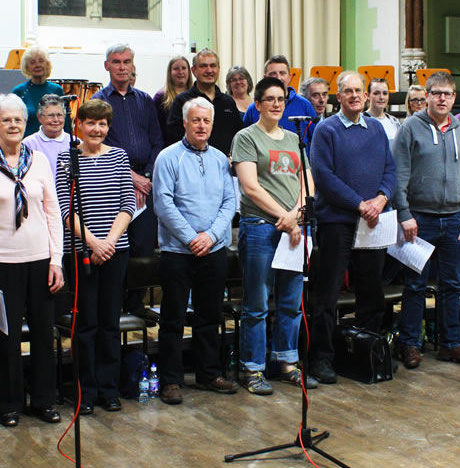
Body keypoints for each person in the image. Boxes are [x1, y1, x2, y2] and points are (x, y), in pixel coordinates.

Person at [0, 94, 65, 427]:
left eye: (19, 120)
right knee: (7, 339)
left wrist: (57, 260)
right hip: (1, 263)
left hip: (40, 260)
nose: (13, 125)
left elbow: (53, 212)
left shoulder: (39, 161)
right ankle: (8, 404)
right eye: (6, 120)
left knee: (42, 335)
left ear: (27, 124)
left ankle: (43, 400)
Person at [308, 71, 396, 384]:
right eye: (348, 91)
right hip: (338, 221)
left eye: (359, 90)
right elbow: (324, 176)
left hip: (374, 219)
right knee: (328, 294)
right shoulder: (326, 129)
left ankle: (367, 350)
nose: (355, 96)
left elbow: (390, 168)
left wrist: (382, 198)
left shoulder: (376, 129)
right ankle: (323, 358)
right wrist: (360, 204)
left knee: (371, 292)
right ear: (339, 97)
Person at [392, 71, 460, 367]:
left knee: (451, 284)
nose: (442, 98)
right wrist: (404, 215)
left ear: (454, 97)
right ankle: (408, 344)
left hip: (454, 220)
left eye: (447, 94)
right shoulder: (410, 128)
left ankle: (451, 344)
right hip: (419, 220)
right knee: (415, 286)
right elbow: (399, 175)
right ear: (427, 96)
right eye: (436, 93)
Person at [152, 97, 239, 404]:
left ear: (212, 125)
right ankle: (171, 380)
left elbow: (231, 201)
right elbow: (163, 203)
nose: (201, 126)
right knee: (173, 318)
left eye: (206, 121)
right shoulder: (167, 157)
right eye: (196, 120)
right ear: (185, 123)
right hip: (178, 251)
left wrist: (211, 235)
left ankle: (209, 373)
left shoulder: (219, 159)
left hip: (214, 250)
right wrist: (192, 238)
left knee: (209, 315)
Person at [232, 76, 315, 395]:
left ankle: (286, 362)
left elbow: (307, 181)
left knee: (291, 302)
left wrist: (295, 214)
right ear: (258, 104)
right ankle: (252, 368)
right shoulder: (246, 137)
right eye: (270, 99)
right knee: (257, 302)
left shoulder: (294, 138)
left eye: (281, 99)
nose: (277, 104)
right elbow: (250, 186)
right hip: (260, 228)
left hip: (293, 228)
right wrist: (284, 217)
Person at [56, 99, 136, 413]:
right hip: (81, 252)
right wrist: (92, 243)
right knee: (86, 324)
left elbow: (128, 204)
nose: (97, 129)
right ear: (79, 126)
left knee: (109, 323)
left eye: (102, 124)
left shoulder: (119, 157)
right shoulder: (66, 159)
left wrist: (109, 243)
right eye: (91, 123)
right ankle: (85, 392)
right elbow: (65, 210)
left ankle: (109, 389)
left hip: (115, 250)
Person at [90, 44, 162, 265]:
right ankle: (117, 300)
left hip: (146, 184)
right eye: (116, 62)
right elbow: (100, 147)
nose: (122, 67)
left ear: (132, 65)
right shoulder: (97, 102)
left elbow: (157, 142)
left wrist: (146, 177)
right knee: (117, 249)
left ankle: (136, 301)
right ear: (106, 66)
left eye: (126, 62)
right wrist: (133, 178)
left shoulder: (145, 100)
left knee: (144, 249)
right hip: (113, 184)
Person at [165, 49, 245, 154]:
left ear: (219, 69)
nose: (209, 70)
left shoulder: (228, 102)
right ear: (193, 71)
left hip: (224, 165)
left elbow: (238, 136)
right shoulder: (182, 101)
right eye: (203, 66)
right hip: (191, 163)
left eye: (213, 66)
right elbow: (173, 137)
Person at [241, 55, 318, 146]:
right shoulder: (254, 108)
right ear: (265, 78)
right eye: (273, 73)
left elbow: (316, 141)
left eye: (282, 73)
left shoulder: (305, 105)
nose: (278, 77)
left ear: (289, 77)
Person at [11, 46, 66, 137]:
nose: (37, 65)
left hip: (52, 141)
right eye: (32, 62)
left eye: (41, 61)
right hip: (26, 144)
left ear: (47, 65)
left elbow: (64, 122)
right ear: (26, 67)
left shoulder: (57, 90)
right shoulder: (19, 91)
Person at [24, 94, 71, 179]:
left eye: (59, 115)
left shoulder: (74, 143)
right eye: (50, 115)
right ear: (39, 117)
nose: (56, 120)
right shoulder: (28, 144)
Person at [153, 55, 193, 142]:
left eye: (183, 68)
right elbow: (155, 128)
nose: (180, 72)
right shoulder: (161, 97)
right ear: (170, 72)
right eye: (176, 69)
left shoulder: (196, 95)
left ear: (189, 71)